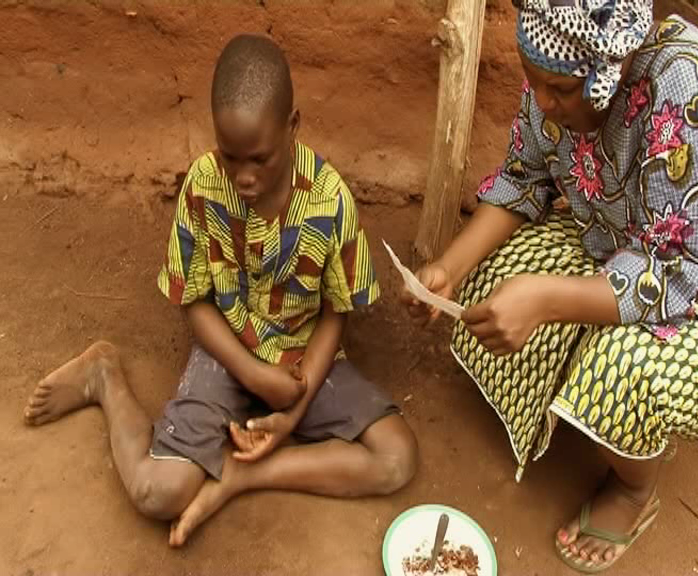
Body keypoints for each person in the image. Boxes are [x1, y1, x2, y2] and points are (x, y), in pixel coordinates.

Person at [403, 0, 698, 572]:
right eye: (535, 84)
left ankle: (633, 489)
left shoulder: (689, 85)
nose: (543, 103)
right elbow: (525, 178)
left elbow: (673, 273)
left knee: (620, 370)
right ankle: (581, 405)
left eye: (560, 91)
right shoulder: (556, 71)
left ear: (609, 72)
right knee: (496, 278)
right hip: (616, 240)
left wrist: (545, 300)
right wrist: (450, 268)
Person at [23, 34, 418, 548]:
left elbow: (336, 313)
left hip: (305, 359)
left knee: (397, 458)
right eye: (231, 158)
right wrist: (253, 372)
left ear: (293, 126)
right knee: (155, 492)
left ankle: (238, 475)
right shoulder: (204, 184)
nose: (245, 177)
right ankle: (103, 375)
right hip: (227, 350)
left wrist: (292, 409)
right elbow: (195, 302)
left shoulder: (331, 201)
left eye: (260, 159)